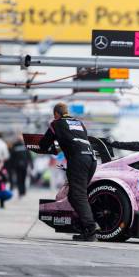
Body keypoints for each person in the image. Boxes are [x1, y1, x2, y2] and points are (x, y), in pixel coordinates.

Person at [39, 102, 97, 242]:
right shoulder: (79, 123)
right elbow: (75, 139)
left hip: (78, 161)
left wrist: (44, 146)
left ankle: (90, 229)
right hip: (91, 160)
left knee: (78, 196)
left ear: (56, 114)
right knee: (74, 196)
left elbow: (44, 145)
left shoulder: (56, 124)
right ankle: (84, 228)